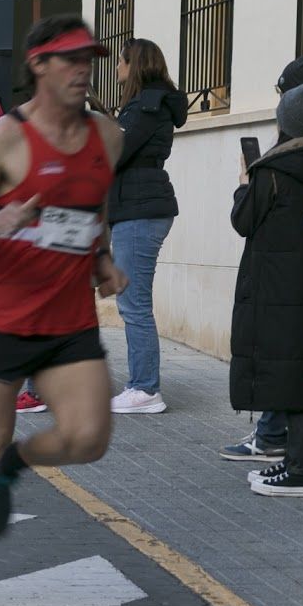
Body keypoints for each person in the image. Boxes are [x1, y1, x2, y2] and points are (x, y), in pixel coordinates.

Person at [0, 15, 127, 606]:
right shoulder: (3, 140)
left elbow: (93, 210)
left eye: (89, 59)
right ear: (38, 64)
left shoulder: (108, 136)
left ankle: (20, 461)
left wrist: (103, 261)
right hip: (1, 321)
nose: (82, 70)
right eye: (70, 59)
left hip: (68, 323)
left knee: (89, 439)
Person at [219, 54, 303, 464]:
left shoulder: (273, 169)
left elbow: (243, 220)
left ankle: (283, 452)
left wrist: (243, 184)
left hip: (279, 290)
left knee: (284, 363)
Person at [106, 39, 186, 415]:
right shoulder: (145, 106)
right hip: (136, 206)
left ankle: (145, 388)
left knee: (134, 303)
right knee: (132, 301)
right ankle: (141, 384)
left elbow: (115, 154)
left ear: (133, 65)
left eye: (121, 62)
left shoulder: (146, 106)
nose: (117, 69)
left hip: (140, 209)